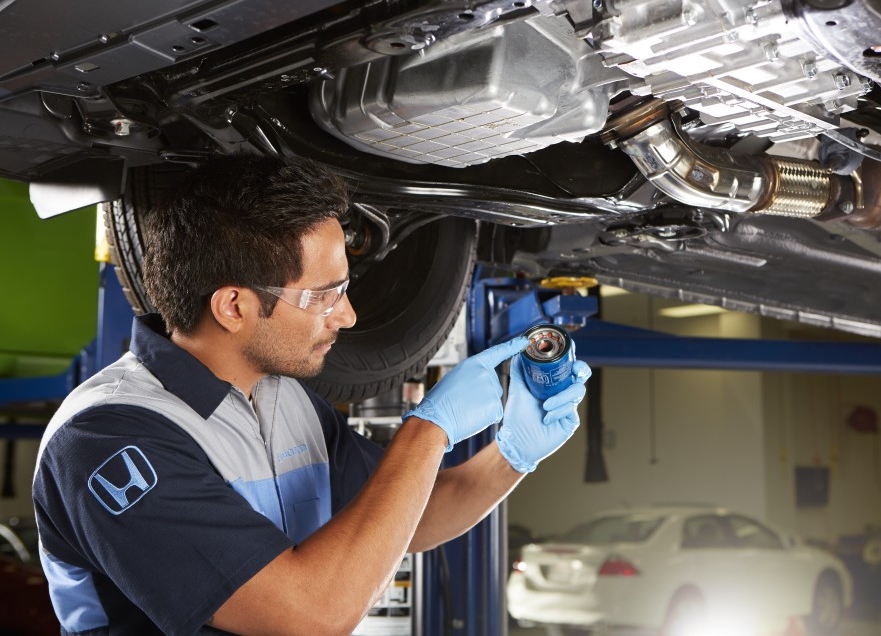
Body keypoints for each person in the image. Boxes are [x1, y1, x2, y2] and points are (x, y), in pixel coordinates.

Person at [32, 153, 590, 636]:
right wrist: (429, 429)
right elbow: (308, 618)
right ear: (233, 307)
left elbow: (405, 521)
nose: (347, 315)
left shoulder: (283, 399)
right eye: (324, 295)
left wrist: (513, 454)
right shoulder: (108, 439)